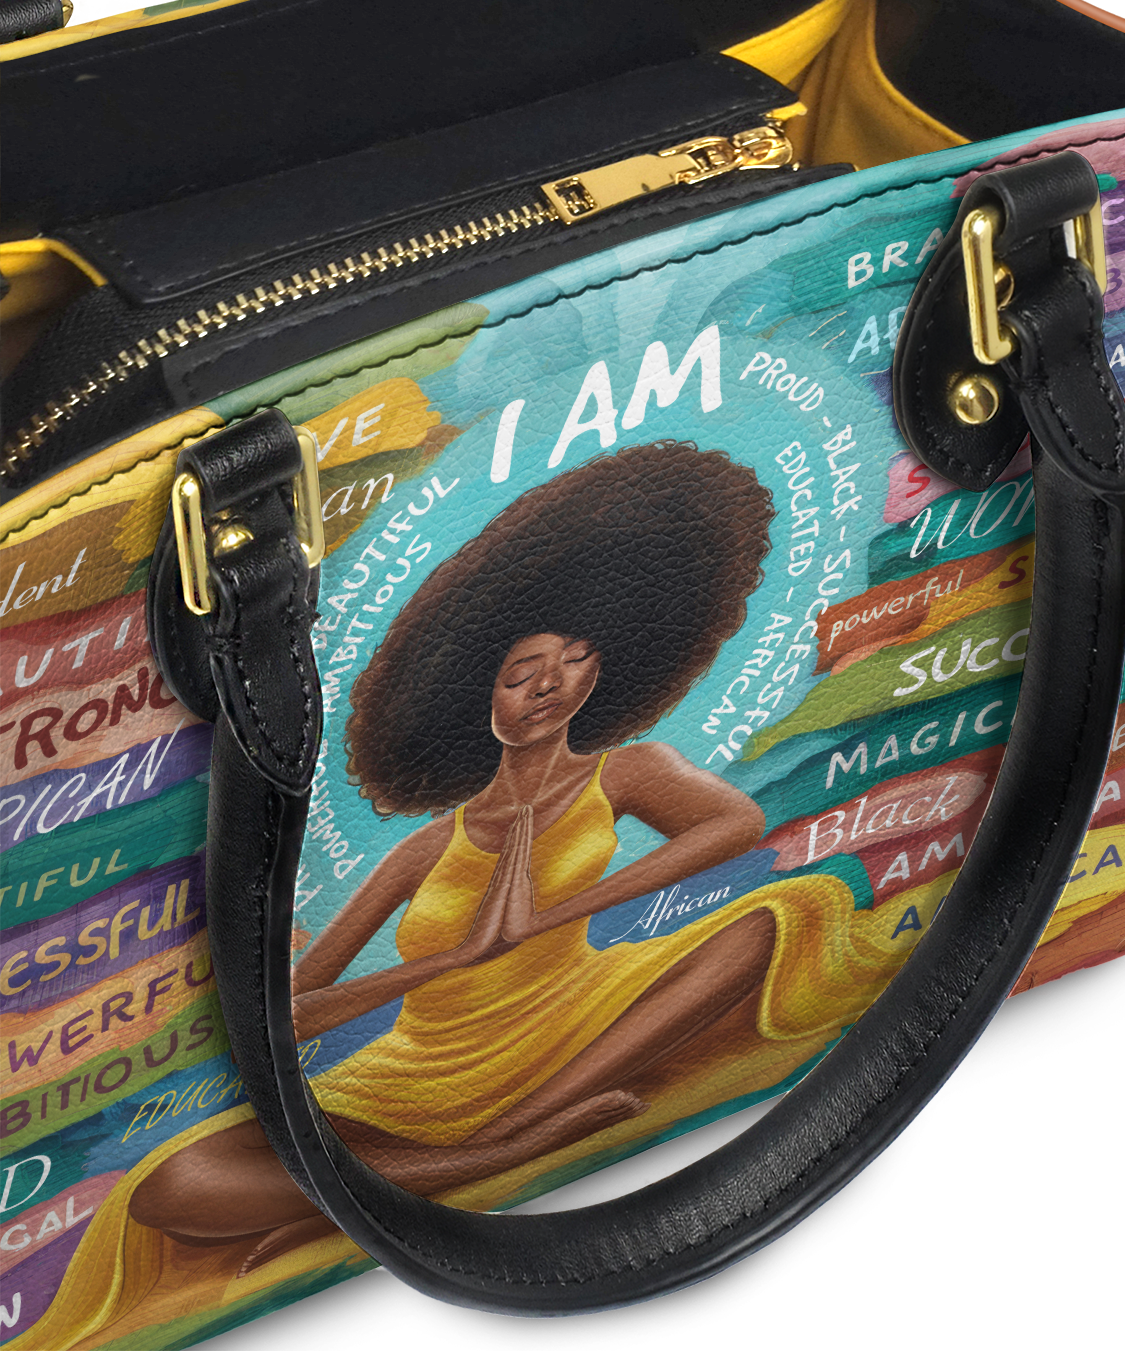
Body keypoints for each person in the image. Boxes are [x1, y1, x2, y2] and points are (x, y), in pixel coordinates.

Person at [97, 440, 908, 1291]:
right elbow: (289, 1014)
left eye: (575, 662)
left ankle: (518, 1127)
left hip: (578, 1011)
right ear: (476, 694)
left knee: (774, 921)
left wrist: (551, 918)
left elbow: (735, 822)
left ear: (604, 675)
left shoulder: (627, 772)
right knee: (170, 1185)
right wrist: (452, 962)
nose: (549, 685)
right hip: (424, 1064)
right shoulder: (423, 849)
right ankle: (492, 1154)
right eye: (523, 673)